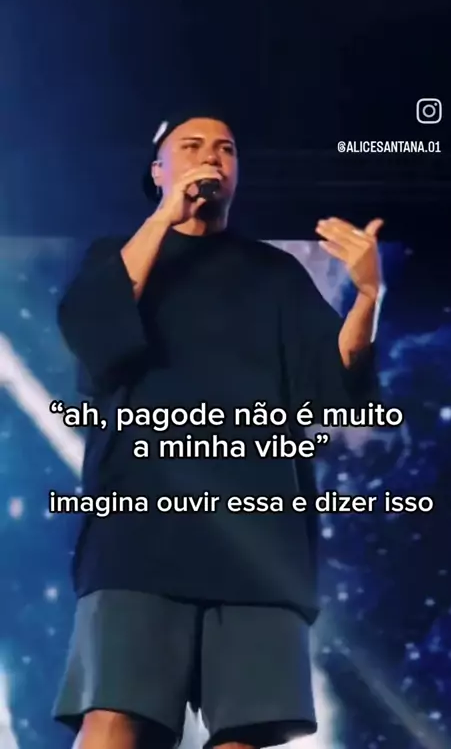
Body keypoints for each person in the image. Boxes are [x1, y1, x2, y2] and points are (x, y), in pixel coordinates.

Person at [52, 110, 385, 749]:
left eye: (226, 149)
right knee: (113, 713)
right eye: (192, 145)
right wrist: (163, 218)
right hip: (140, 529)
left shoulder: (275, 275)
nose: (212, 156)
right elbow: (94, 335)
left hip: (258, 536)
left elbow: (337, 384)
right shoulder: (116, 258)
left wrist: (369, 297)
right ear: (157, 171)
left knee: (246, 733)